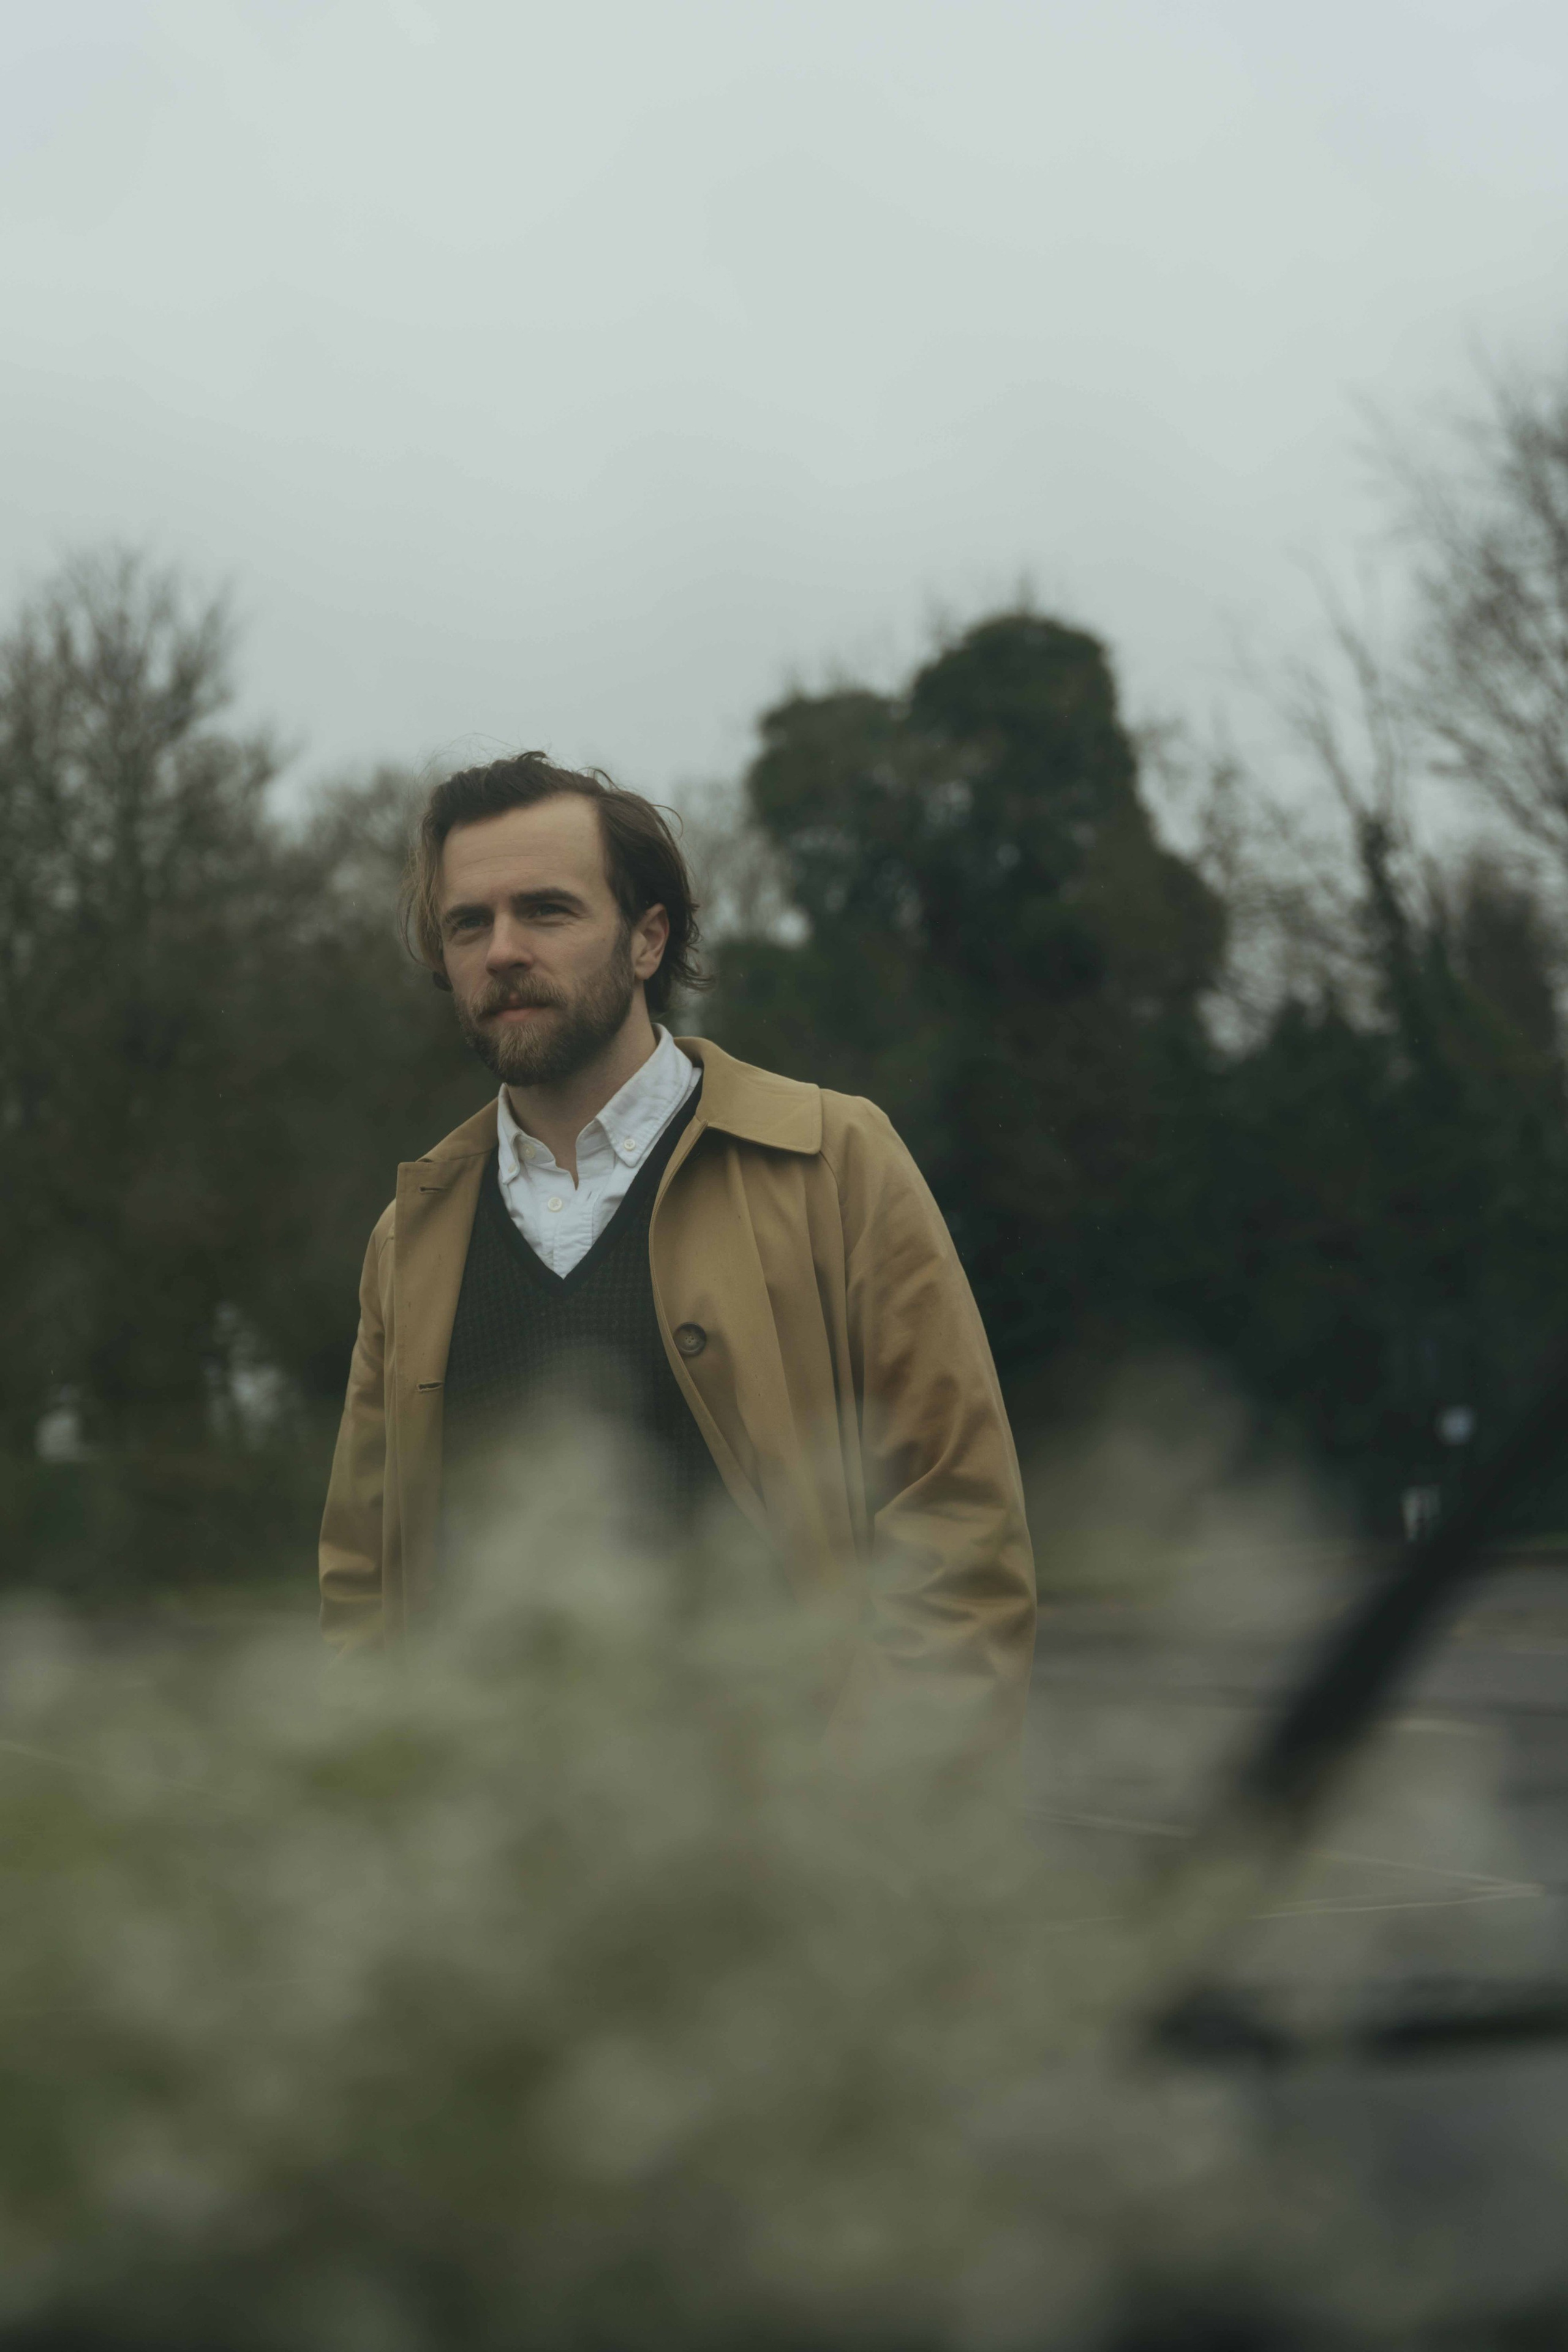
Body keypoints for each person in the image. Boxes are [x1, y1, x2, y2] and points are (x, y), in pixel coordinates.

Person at [318, 753, 1036, 1763]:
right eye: (468, 924)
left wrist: (885, 1804)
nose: (503, 950)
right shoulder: (410, 1238)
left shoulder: (833, 1160)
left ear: (648, 938)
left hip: (784, 1827)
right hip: (487, 1845)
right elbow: (363, 1576)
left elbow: (957, 1512)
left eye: (547, 911)